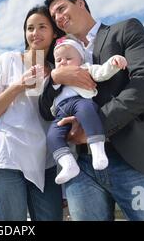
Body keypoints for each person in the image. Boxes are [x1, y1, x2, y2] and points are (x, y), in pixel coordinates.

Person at [39, 0, 144, 221]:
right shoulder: (61, 57)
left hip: (134, 159)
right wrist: (56, 77)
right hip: (81, 168)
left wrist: (95, 126)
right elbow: (46, 110)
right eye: (54, 16)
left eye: (61, 9)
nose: (58, 17)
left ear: (81, 3)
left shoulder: (125, 30)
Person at [0, 5, 65, 221]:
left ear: (54, 32)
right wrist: (18, 86)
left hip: (45, 163)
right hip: (8, 161)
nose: (34, 33)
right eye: (30, 28)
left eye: (42, 27)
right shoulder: (8, 60)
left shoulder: (58, 70)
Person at [47, 35, 127, 185]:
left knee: (87, 112)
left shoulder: (85, 68)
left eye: (68, 58)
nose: (63, 62)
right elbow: (48, 90)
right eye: (58, 60)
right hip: (60, 111)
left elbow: (102, 72)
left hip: (80, 102)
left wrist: (114, 62)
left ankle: (98, 151)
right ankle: (68, 164)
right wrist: (54, 76)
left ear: (81, 59)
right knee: (52, 135)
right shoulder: (57, 78)